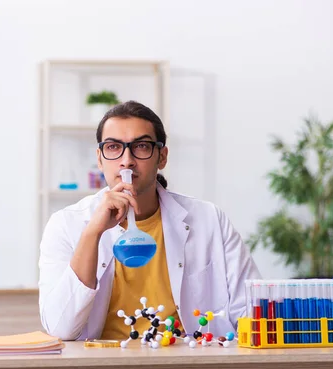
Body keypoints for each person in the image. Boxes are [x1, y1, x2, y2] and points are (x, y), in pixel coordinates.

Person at [38, 100, 261, 341]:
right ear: (100, 159)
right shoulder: (66, 224)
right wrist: (93, 233)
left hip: (188, 364)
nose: (126, 160)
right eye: (113, 147)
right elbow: (60, 329)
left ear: (162, 157)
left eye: (141, 146)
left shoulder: (209, 220)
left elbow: (252, 311)